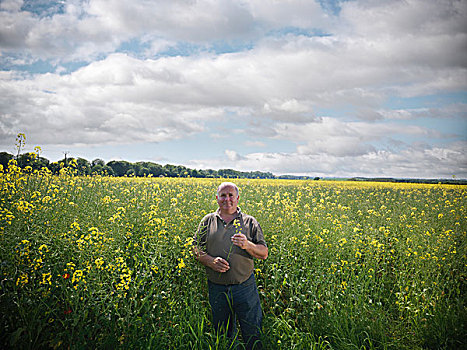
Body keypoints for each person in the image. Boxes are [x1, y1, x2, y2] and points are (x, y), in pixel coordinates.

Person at [193, 182, 268, 350]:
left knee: (252, 332)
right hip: (217, 288)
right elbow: (195, 248)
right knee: (223, 334)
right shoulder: (207, 221)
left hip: (244, 287)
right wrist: (210, 261)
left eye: (231, 195)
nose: (227, 199)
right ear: (217, 198)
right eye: (223, 195)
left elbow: (263, 253)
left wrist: (247, 245)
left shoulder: (249, 222)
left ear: (238, 198)